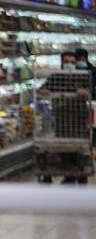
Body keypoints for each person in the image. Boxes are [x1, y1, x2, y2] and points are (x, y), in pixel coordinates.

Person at [38, 51, 92, 184]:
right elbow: (41, 89)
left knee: (78, 155)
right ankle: (69, 178)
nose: (70, 65)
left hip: (79, 120)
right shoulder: (56, 77)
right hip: (62, 119)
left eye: (72, 62)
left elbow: (90, 92)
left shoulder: (83, 77)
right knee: (65, 152)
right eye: (67, 62)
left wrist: (85, 92)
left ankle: (72, 179)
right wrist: (43, 91)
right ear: (61, 63)